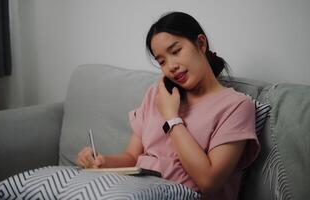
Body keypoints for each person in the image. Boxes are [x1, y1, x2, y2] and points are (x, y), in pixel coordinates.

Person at [76, 11, 260, 200]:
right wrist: (102, 161)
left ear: (201, 44)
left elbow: (209, 181)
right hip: (135, 190)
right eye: (162, 61)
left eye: (175, 51)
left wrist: (172, 118)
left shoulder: (237, 106)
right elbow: (132, 157)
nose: (170, 66)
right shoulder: (157, 94)